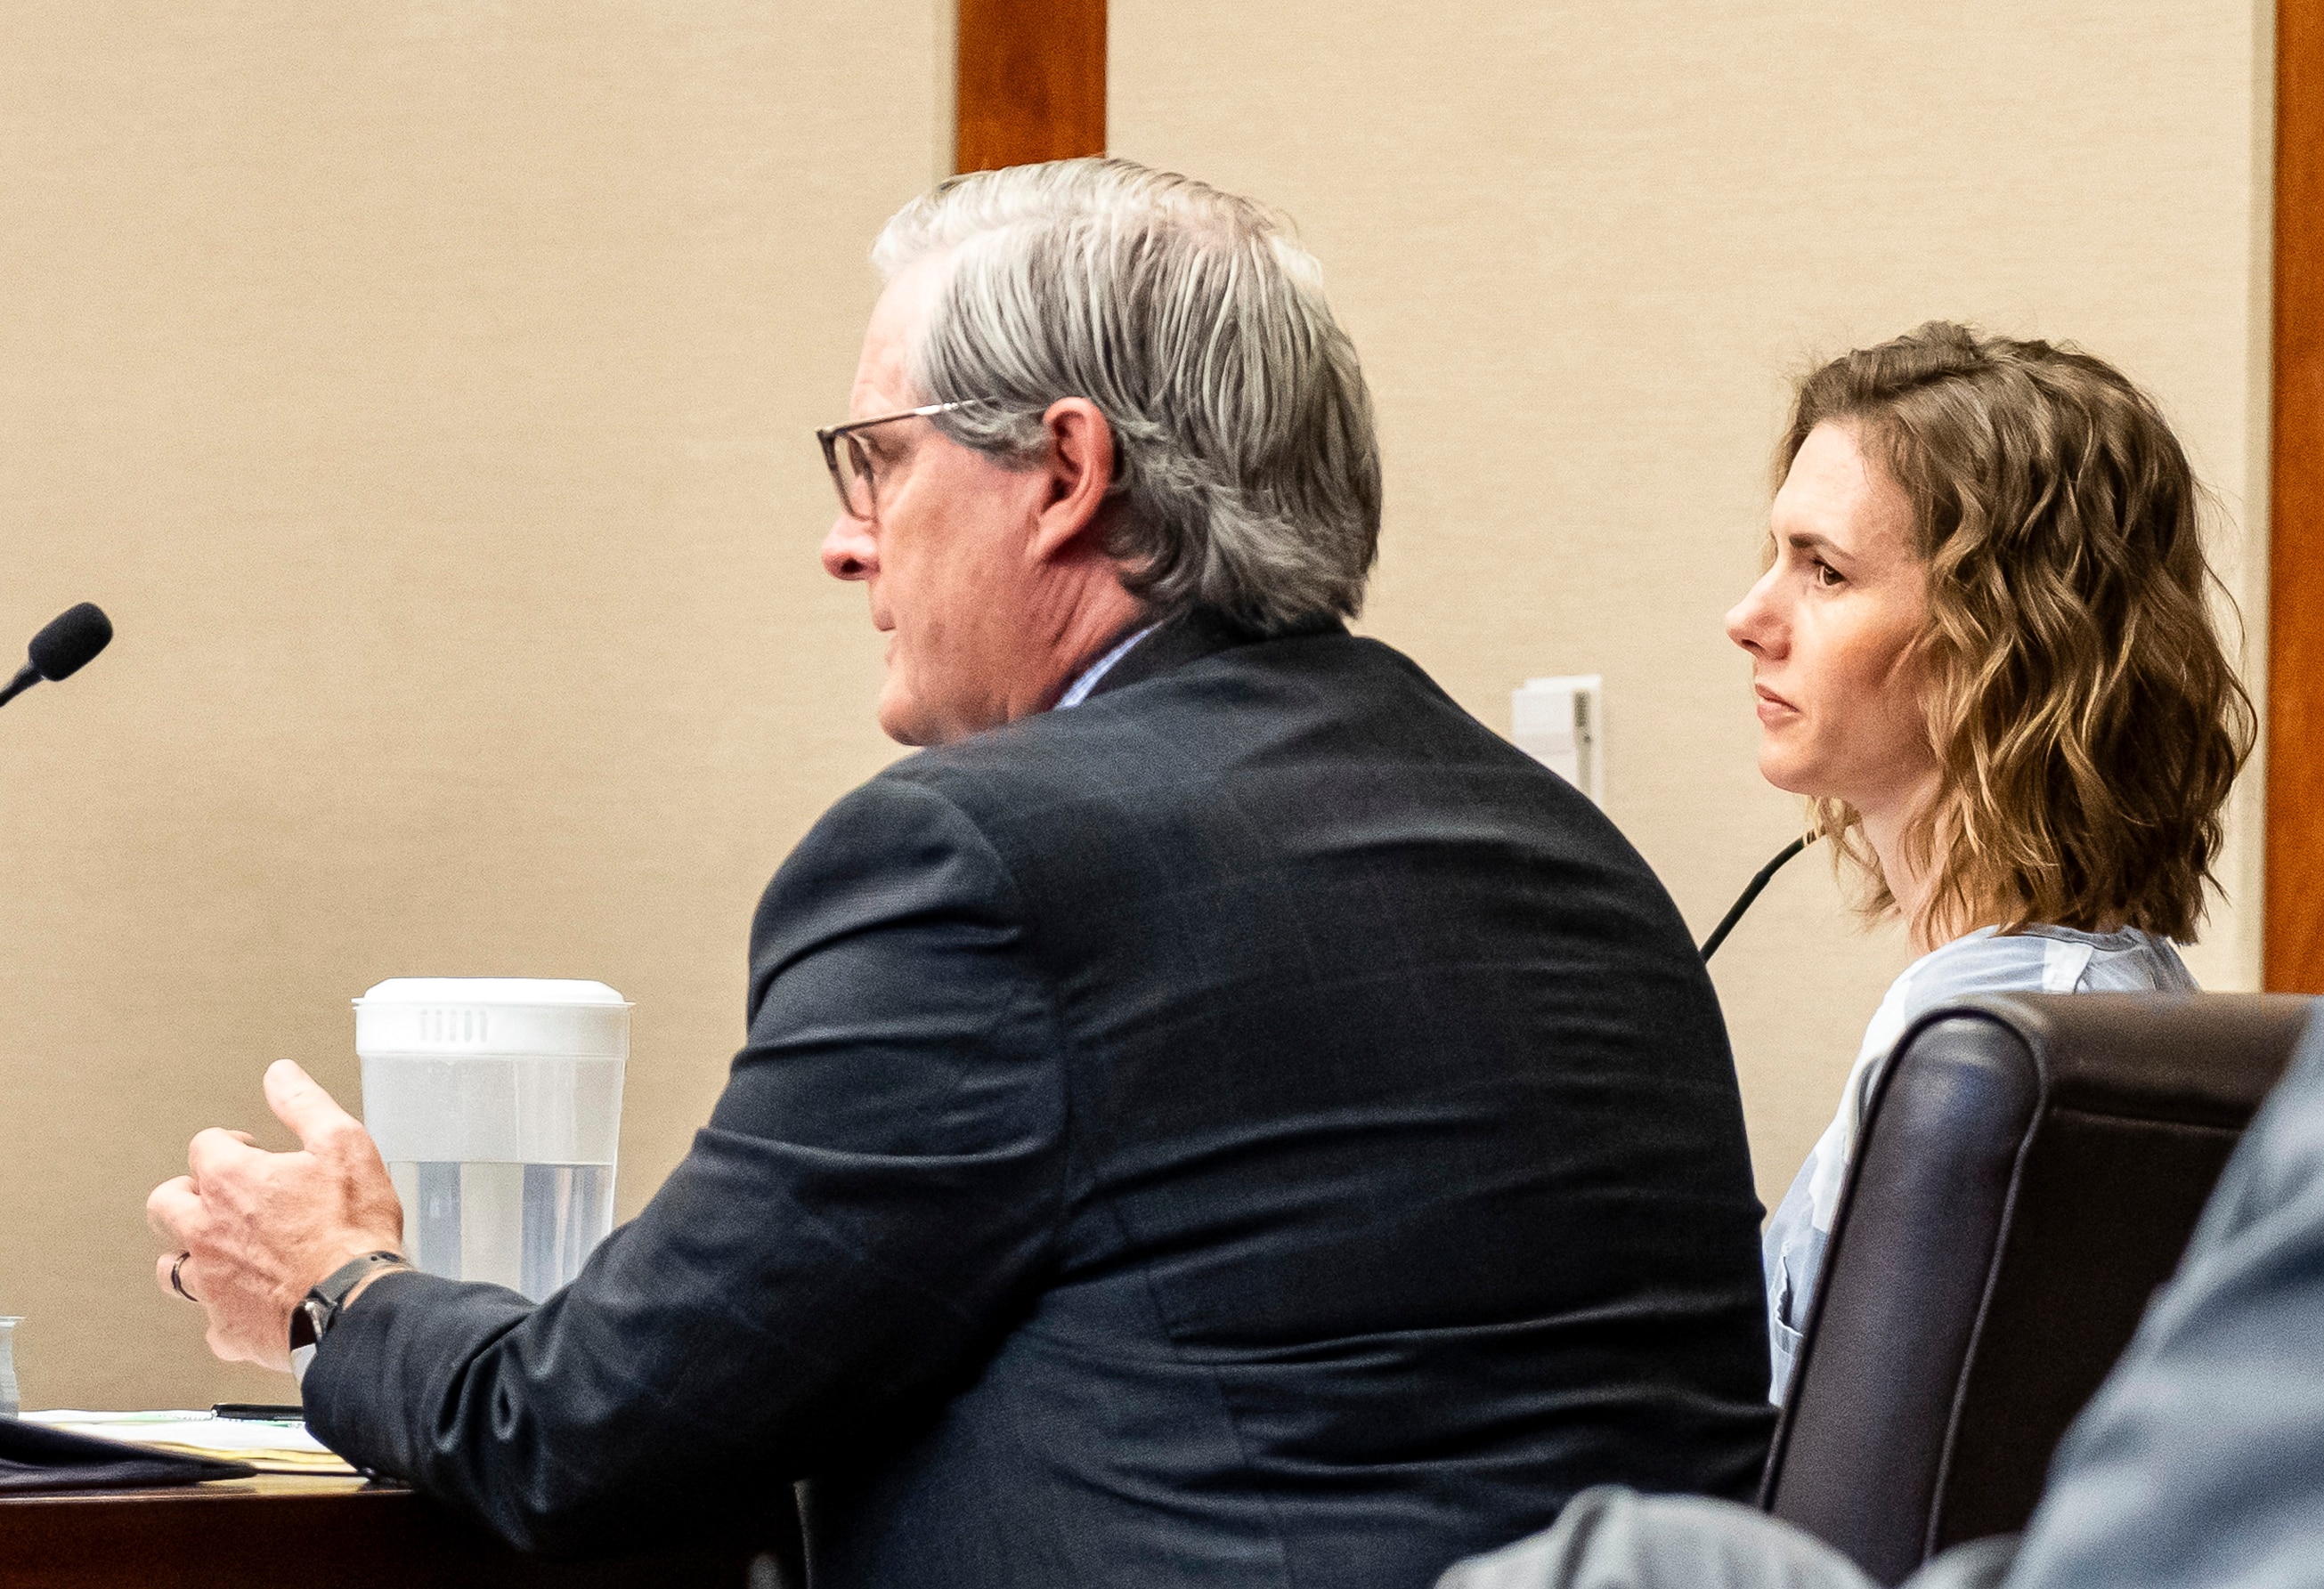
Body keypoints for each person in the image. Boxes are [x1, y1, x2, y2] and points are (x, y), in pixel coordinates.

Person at [145, 158, 1778, 1587]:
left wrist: (333, 1291)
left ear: (1067, 476)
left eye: (880, 461)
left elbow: (591, 1429)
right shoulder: (1570, 854)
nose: (845, 539)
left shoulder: (982, 856)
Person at [1435, 911, 2324, 1589]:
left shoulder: (1975, 1011)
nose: (1749, 621)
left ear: (1996, 667)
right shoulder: (2135, 977)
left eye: (1828, 609)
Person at [1720, 324, 2253, 1399]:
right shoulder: (2091, 999)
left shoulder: (1988, 1051)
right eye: (1774, 556)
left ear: (2002, 645)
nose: (1748, 619)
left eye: (1823, 572)